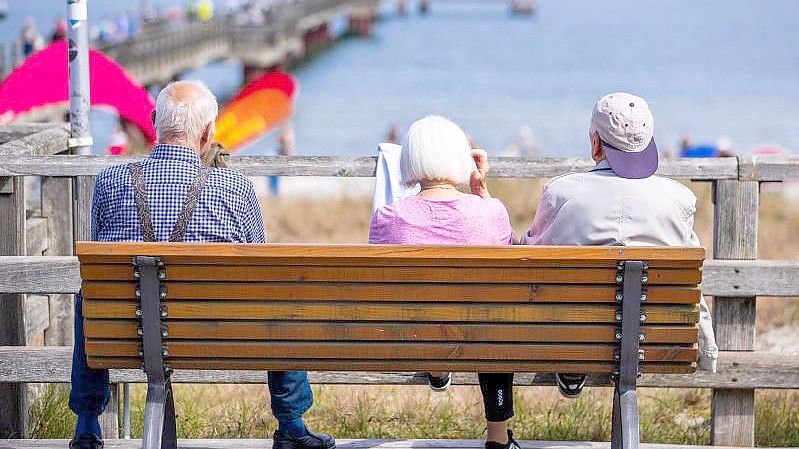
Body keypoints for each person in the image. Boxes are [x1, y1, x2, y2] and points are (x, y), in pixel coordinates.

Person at [68, 80, 335, 449]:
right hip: (218, 336)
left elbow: (100, 267)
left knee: (90, 295)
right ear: (209, 132)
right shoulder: (235, 188)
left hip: (131, 338)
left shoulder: (109, 182)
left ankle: (86, 424)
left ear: (154, 121)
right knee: (279, 295)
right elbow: (262, 270)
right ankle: (291, 422)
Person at [522, 92, 719, 397]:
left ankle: (574, 363)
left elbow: (532, 254)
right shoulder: (679, 199)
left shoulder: (562, 192)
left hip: (570, 333)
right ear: (648, 141)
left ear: (596, 143)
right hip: (657, 339)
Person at [369, 116, 519, 449]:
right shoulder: (491, 211)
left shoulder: (387, 217)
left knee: (434, 310)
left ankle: (437, 367)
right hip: (480, 336)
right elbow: (508, 265)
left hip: (409, 334)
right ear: (460, 159)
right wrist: (481, 191)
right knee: (492, 315)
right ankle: (498, 438)